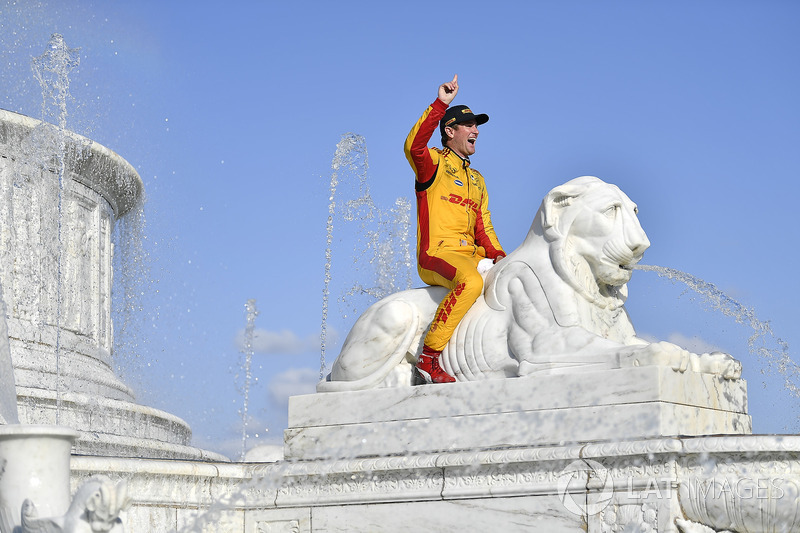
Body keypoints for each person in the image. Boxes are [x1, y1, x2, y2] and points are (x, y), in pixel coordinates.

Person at [404, 74, 506, 384]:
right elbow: (413, 145)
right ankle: (430, 357)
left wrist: (500, 256)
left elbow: (484, 227)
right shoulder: (432, 162)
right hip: (436, 255)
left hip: (471, 254)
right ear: (450, 131)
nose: (476, 130)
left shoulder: (477, 179)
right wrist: (440, 103)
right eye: (470, 125)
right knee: (471, 282)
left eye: (477, 125)